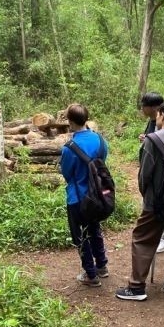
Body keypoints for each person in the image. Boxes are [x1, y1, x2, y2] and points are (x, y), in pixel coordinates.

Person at [116, 102, 164, 300]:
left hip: (156, 202)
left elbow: (145, 174)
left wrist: (146, 195)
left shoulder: (153, 140)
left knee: (143, 239)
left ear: (163, 116)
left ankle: (136, 288)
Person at [60, 103, 110, 288]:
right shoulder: (100, 140)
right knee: (94, 229)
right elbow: (102, 160)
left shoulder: (69, 148)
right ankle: (102, 266)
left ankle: (90, 274)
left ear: (70, 122)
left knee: (79, 236)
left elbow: (66, 174)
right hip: (98, 194)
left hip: (77, 197)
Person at [139, 92, 164, 254]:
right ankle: (158, 236)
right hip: (151, 171)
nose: (142, 109)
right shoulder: (152, 122)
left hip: (158, 173)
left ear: (154, 108)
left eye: (144, 106)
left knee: (157, 205)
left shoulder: (161, 124)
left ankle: (163, 238)